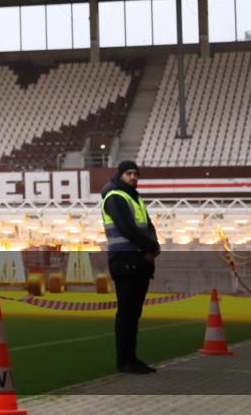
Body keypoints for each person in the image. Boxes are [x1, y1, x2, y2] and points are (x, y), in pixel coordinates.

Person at [100, 160, 160, 374]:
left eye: (135, 173)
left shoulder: (135, 198)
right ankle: (124, 360)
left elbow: (148, 226)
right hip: (125, 260)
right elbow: (127, 228)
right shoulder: (115, 197)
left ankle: (131, 358)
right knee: (127, 313)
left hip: (138, 261)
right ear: (120, 175)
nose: (133, 177)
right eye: (128, 173)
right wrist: (150, 247)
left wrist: (153, 247)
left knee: (133, 313)